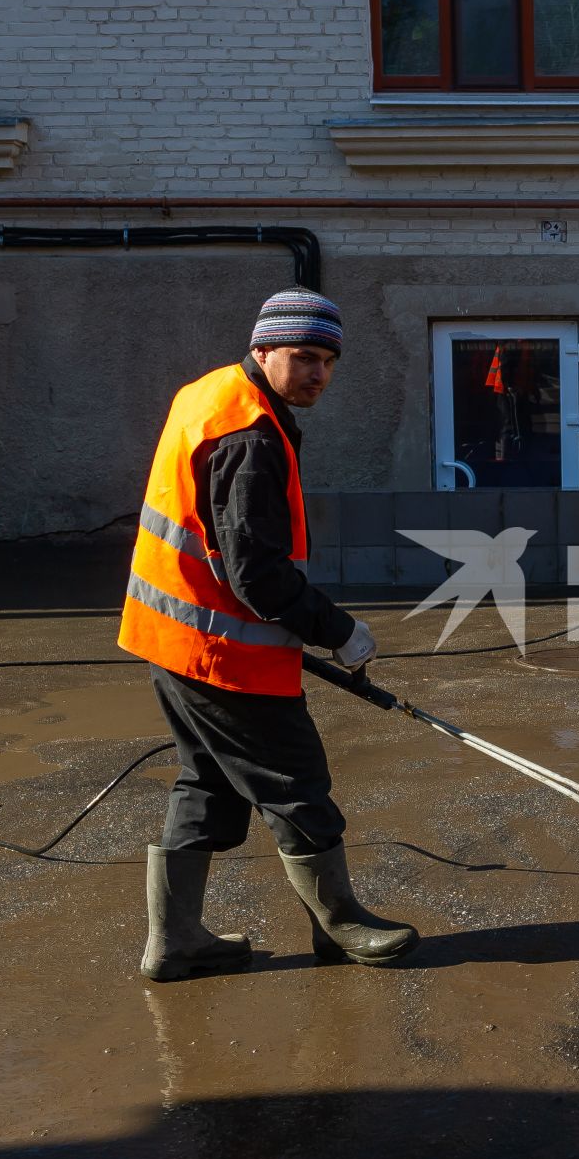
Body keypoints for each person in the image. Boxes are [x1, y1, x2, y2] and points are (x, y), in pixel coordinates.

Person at [118, 288, 418, 982]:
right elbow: (255, 571)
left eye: (328, 361)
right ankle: (340, 927)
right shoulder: (249, 434)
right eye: (303, 356)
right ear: (264, 351)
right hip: (223, 653)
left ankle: (178, 941)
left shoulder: (212, 392)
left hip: (174, 640)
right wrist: (338, 630)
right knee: (295, 781)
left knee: (207, 784)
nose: (318, 373)